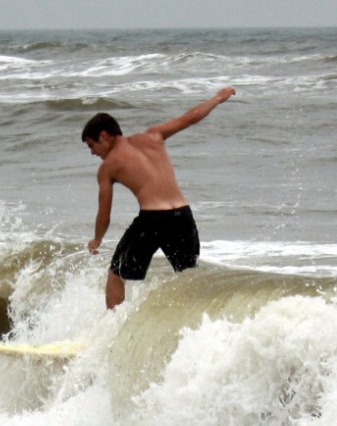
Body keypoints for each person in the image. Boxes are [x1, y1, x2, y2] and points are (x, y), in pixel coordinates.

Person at [82, 87, 237, 309]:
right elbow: (191, 118)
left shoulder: (108, 167)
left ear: (104, 136)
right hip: (183, 216)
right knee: (188, 277)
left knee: (116, 273)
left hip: (154, 219)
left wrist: (96, 240)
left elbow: (104, 217)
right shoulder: (154, 135)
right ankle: (198, 332)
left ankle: (114, 333)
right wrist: (218, 99)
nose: (92, 152)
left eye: (91, 145)